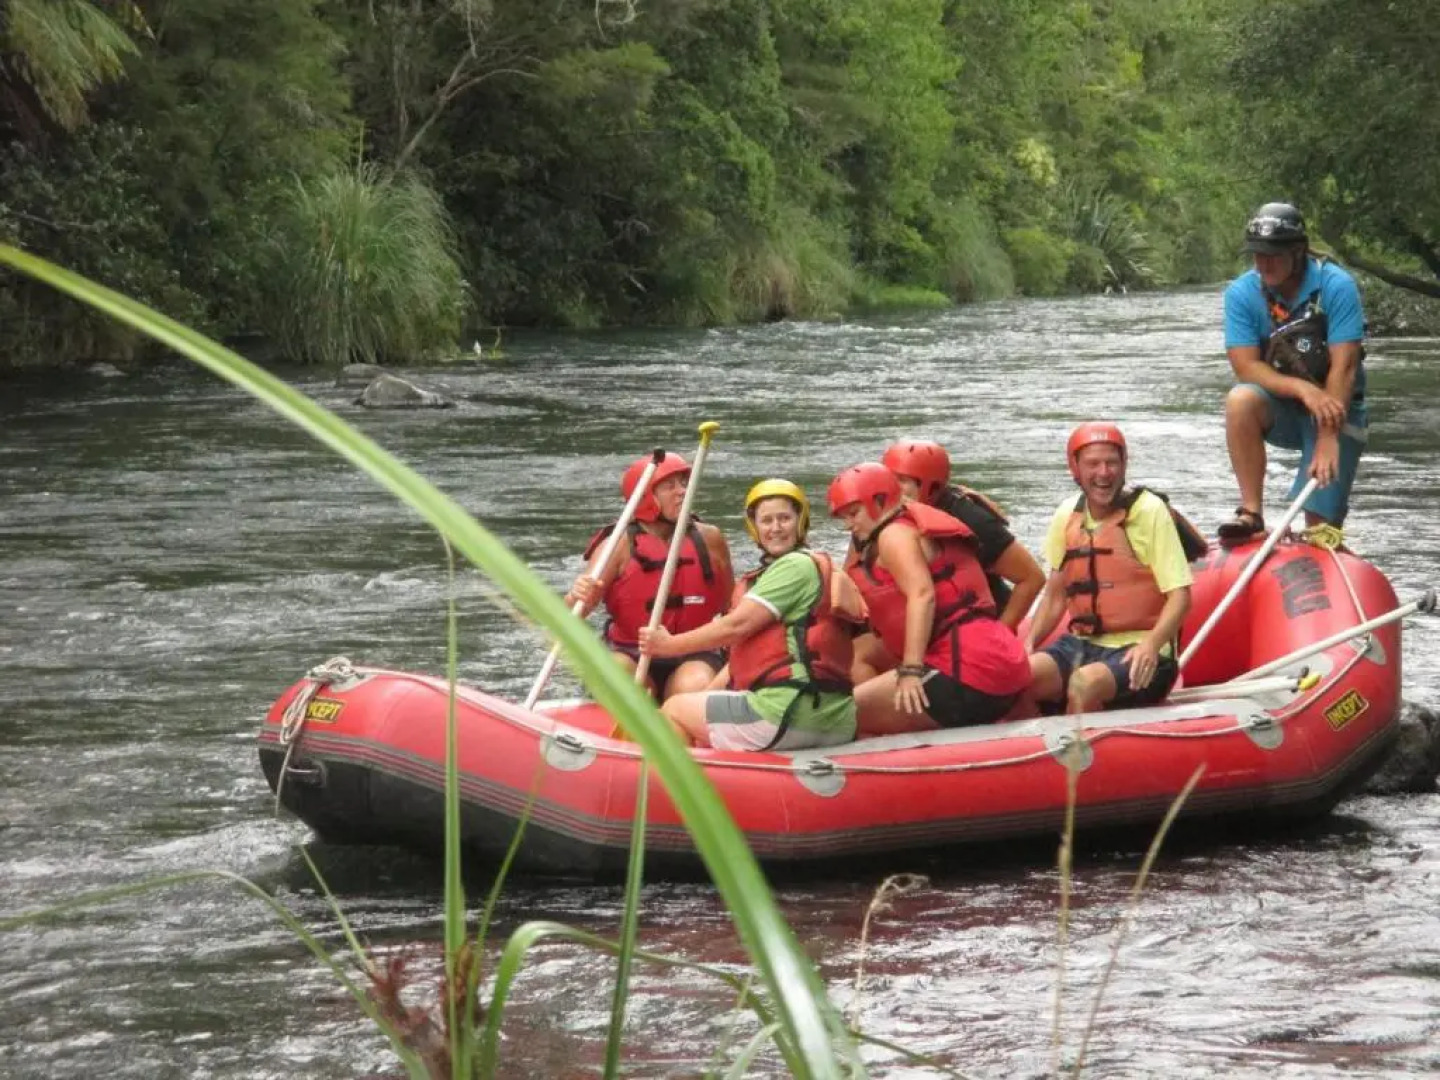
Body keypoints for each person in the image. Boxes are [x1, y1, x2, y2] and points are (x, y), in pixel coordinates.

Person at [638, 479, 863, 750]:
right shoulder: (806, 567)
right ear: (754, 527)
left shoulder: (795, 566)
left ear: (800, 521)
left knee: (673, 707)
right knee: (692, 706)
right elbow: (740, 657)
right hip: (833, 719)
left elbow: (735, 626)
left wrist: (668, 645)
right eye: (766, 520)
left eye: (785, 518)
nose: (776, 528)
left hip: (785, 714)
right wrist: (703, 699)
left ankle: (674, 789)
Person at [830, 463, 1031, 736]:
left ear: (879, 501)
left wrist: (911, 670)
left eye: (854, 513)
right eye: (844, 517)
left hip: (970, 673)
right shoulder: (902, 525)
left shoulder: (893, 535)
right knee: (862, 651)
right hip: (994, 661)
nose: (848, 524)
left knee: (839, 717)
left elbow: (922, 595)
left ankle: (890, 755)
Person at [1219, 201, 1368, 550]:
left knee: (1319, 531)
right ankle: (1251, 514)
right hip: (1284, 406)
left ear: (1298, 250)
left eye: (1271, 255)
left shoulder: (1336, 286)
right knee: (1240, 400)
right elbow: (1246, 367)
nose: (1262, 263)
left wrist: (1328, 436)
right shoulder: (1241, 293)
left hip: (1338, 407)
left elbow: (1344, 368)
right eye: (1256, 255)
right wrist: (1302, 390)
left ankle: (1337, 558)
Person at [1024, 423, 1193, 714]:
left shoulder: (1149, 511)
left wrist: (1152, 645)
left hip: (1143, 652)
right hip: (1081, 644)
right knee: (1020, 677)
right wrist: (1026, 644)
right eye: (1093, 464)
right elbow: (1054, 596)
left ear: (1124, 465)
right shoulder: (1067, 515)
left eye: (1111, 463)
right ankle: (1029, 750)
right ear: (1074, 468)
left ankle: (1074, 753)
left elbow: (1181, 596)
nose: (1104, 473)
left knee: (1082, 683)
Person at [567, 451, 733, 700]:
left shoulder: (711, 539)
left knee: (694, 685)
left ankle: (681, 721)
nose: (682, 492)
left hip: (693, 652)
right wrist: (575, 596)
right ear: (646, 498)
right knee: (624, 682)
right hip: (630, 653)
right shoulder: (617, 546)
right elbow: (571, 615)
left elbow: (731, 607)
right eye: (670, 486)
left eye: (683, 484)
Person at [880, 440, 1045, 627]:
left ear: (930, 486)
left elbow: (1032, 578)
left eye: (901, 480)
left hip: (981, 621)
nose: (890, 488)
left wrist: (1003, 633)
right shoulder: (879, 514)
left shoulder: (973, 519)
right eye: (888, 479)